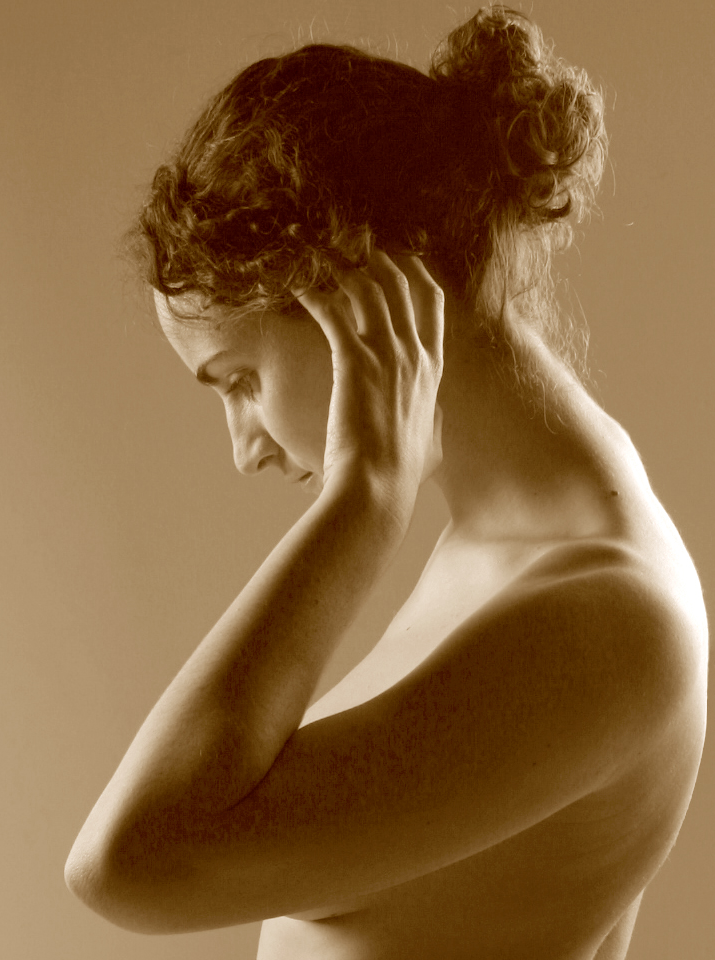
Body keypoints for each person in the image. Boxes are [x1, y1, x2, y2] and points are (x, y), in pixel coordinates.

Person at [65, 7, 708, 958]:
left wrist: (363, 498)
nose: (245, 448)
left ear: (363, 289)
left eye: (240, 381)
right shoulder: (507, 547)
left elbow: (126, 866)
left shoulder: (608, 619)